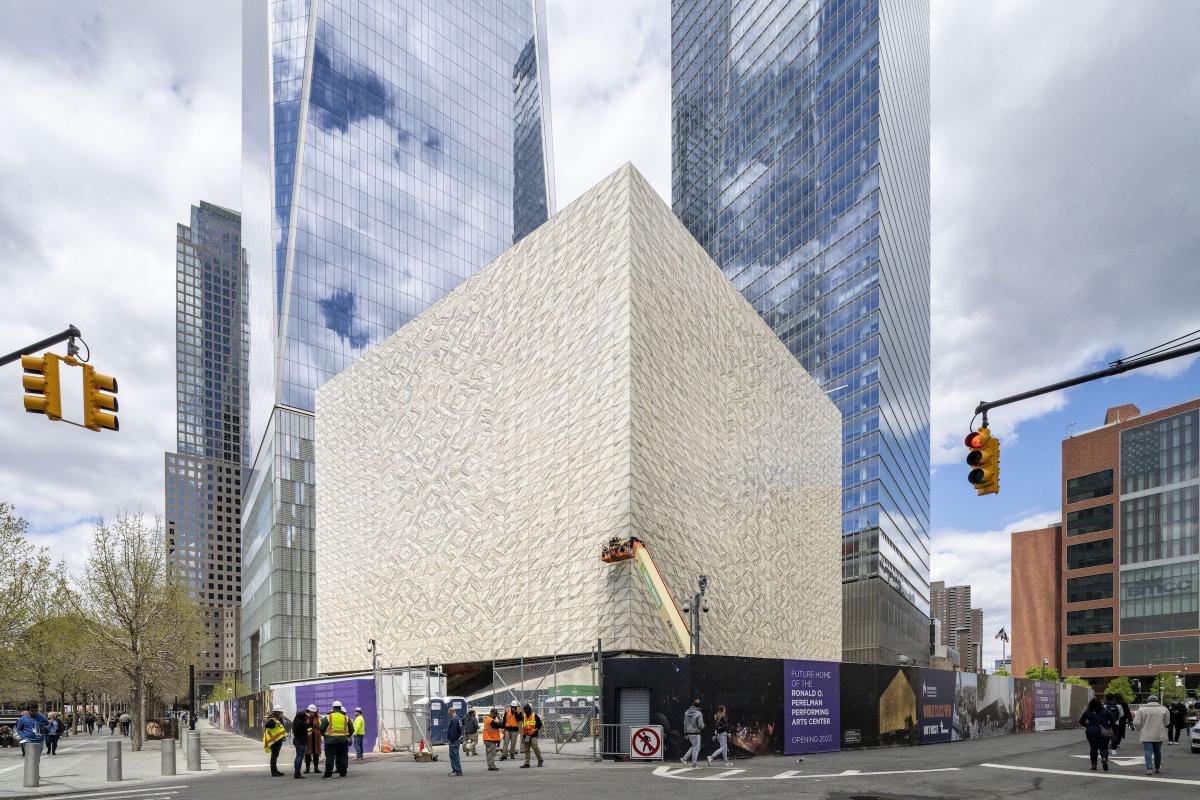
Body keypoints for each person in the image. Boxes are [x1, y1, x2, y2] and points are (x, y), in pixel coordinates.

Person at [1133, 694, 1170, 775]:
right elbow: (1167, 723)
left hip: (1146, 733)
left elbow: (1136, 722)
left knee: (1148, 751)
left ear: (1148, 701)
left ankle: (1149, 768)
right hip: (1158, 733)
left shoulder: (1142, 709)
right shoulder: (1164, 709)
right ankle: (1157, 767)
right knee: (1157, 752)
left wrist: (1139, 729)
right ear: (1157, 701)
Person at [1078, 697, 1115, 771]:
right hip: (1103, 731)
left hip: (1091, 731)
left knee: (1093, 748)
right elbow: (1113, 721)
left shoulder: (1088, 711)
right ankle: (1104, 758)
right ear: (1100, 704)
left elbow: (1081, 721)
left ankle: (1094, 765)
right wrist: (1108, 727)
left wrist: (1088, 726)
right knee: (1104, 748)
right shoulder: (1106, 711)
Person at [320, 700, 352, 778]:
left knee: (330, 758)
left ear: (333, 708)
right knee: (343, 757)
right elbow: (352, 729)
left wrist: (324, 735)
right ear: (340, 708)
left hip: (330, 741)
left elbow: (322, 728)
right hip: (343, 741)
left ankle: (328, 775)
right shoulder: (346, 718)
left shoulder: (328, 717)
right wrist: (347, 736)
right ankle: (343, 774)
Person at [292, 704, 316, 779]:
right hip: (301, 740)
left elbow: (308, 726)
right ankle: (297, 773)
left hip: (298, 739)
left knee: (298, 757)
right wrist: (309, 722)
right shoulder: (302, 718)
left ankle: (296, 772)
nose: (314, 714)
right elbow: (306, 725)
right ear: (310, 711)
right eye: (313, 712)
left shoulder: (299, 718)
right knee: (300, 757)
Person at [263, 707, 287, 777]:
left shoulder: (277, 719)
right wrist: (272, 725)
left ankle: (275, 770)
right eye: (281, 713)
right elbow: (267, 725)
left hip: (277, 741)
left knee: (275, 756)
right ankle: (274, 772)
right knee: (274, 756)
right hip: (274, 741)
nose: (282, 714)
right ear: (277, 712)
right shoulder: (273, 720)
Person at [681, 699, 704, 768]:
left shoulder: (687, 712)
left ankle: (684, 758)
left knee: (694, 747)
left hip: (688, 732)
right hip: (696, 732)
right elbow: (700, 725)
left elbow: (685, 723)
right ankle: (694, 763)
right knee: (696, 748)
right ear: (699, 705)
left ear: (693, 704)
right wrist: (703, 726)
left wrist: (685, 733)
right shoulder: (699, 713)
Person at [519, 703, 543, 768]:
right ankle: (527, 763)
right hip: (526, 736)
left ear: (530, 709)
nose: (526, 710)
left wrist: (535, 729)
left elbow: (540, 724)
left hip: (533, 735)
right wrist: (523, 738)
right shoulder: (523, 716)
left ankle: (540, 760)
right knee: (526, 749)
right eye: (525, 709)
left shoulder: (535, 716)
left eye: (527, 709)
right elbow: (523, 726)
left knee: (535, 747)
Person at [305, 706, 323, 774]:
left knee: (316, 753)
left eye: (313, 712)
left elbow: (321, 727)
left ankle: (316, 768)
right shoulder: (305, 718)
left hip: (316, 737)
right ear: (308, 711)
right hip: (308, 738)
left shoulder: (319, 718)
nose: (312, 713)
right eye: (310, 711)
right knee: (307, 753)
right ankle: (307, 769)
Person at [446, 707, 464, 776]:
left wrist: (451, 740)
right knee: (453, 755)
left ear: (451, 712)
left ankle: (457, 771)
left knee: (454, 755)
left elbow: (453, 731)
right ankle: (455, 770)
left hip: (454, 740)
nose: (448, 714)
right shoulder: (457, 719)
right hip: (456, 739)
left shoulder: (454, 719)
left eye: (448, 713)